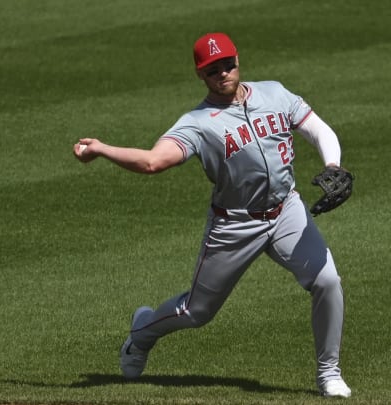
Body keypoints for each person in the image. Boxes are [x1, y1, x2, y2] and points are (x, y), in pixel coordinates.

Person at [73, 32, 352, 398]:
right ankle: (141, 333)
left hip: (287, 211)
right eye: (213, 70)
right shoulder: (198, 122)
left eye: (228, 65)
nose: (223, 73)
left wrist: (334, 165)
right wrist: (102, 149)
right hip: (234, 223)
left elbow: (317, 128)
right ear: (200, 75)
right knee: (196, 312)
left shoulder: (275, 93)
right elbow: (154, 162)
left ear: (238, 61)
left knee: (327, 280)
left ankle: (328, 372)